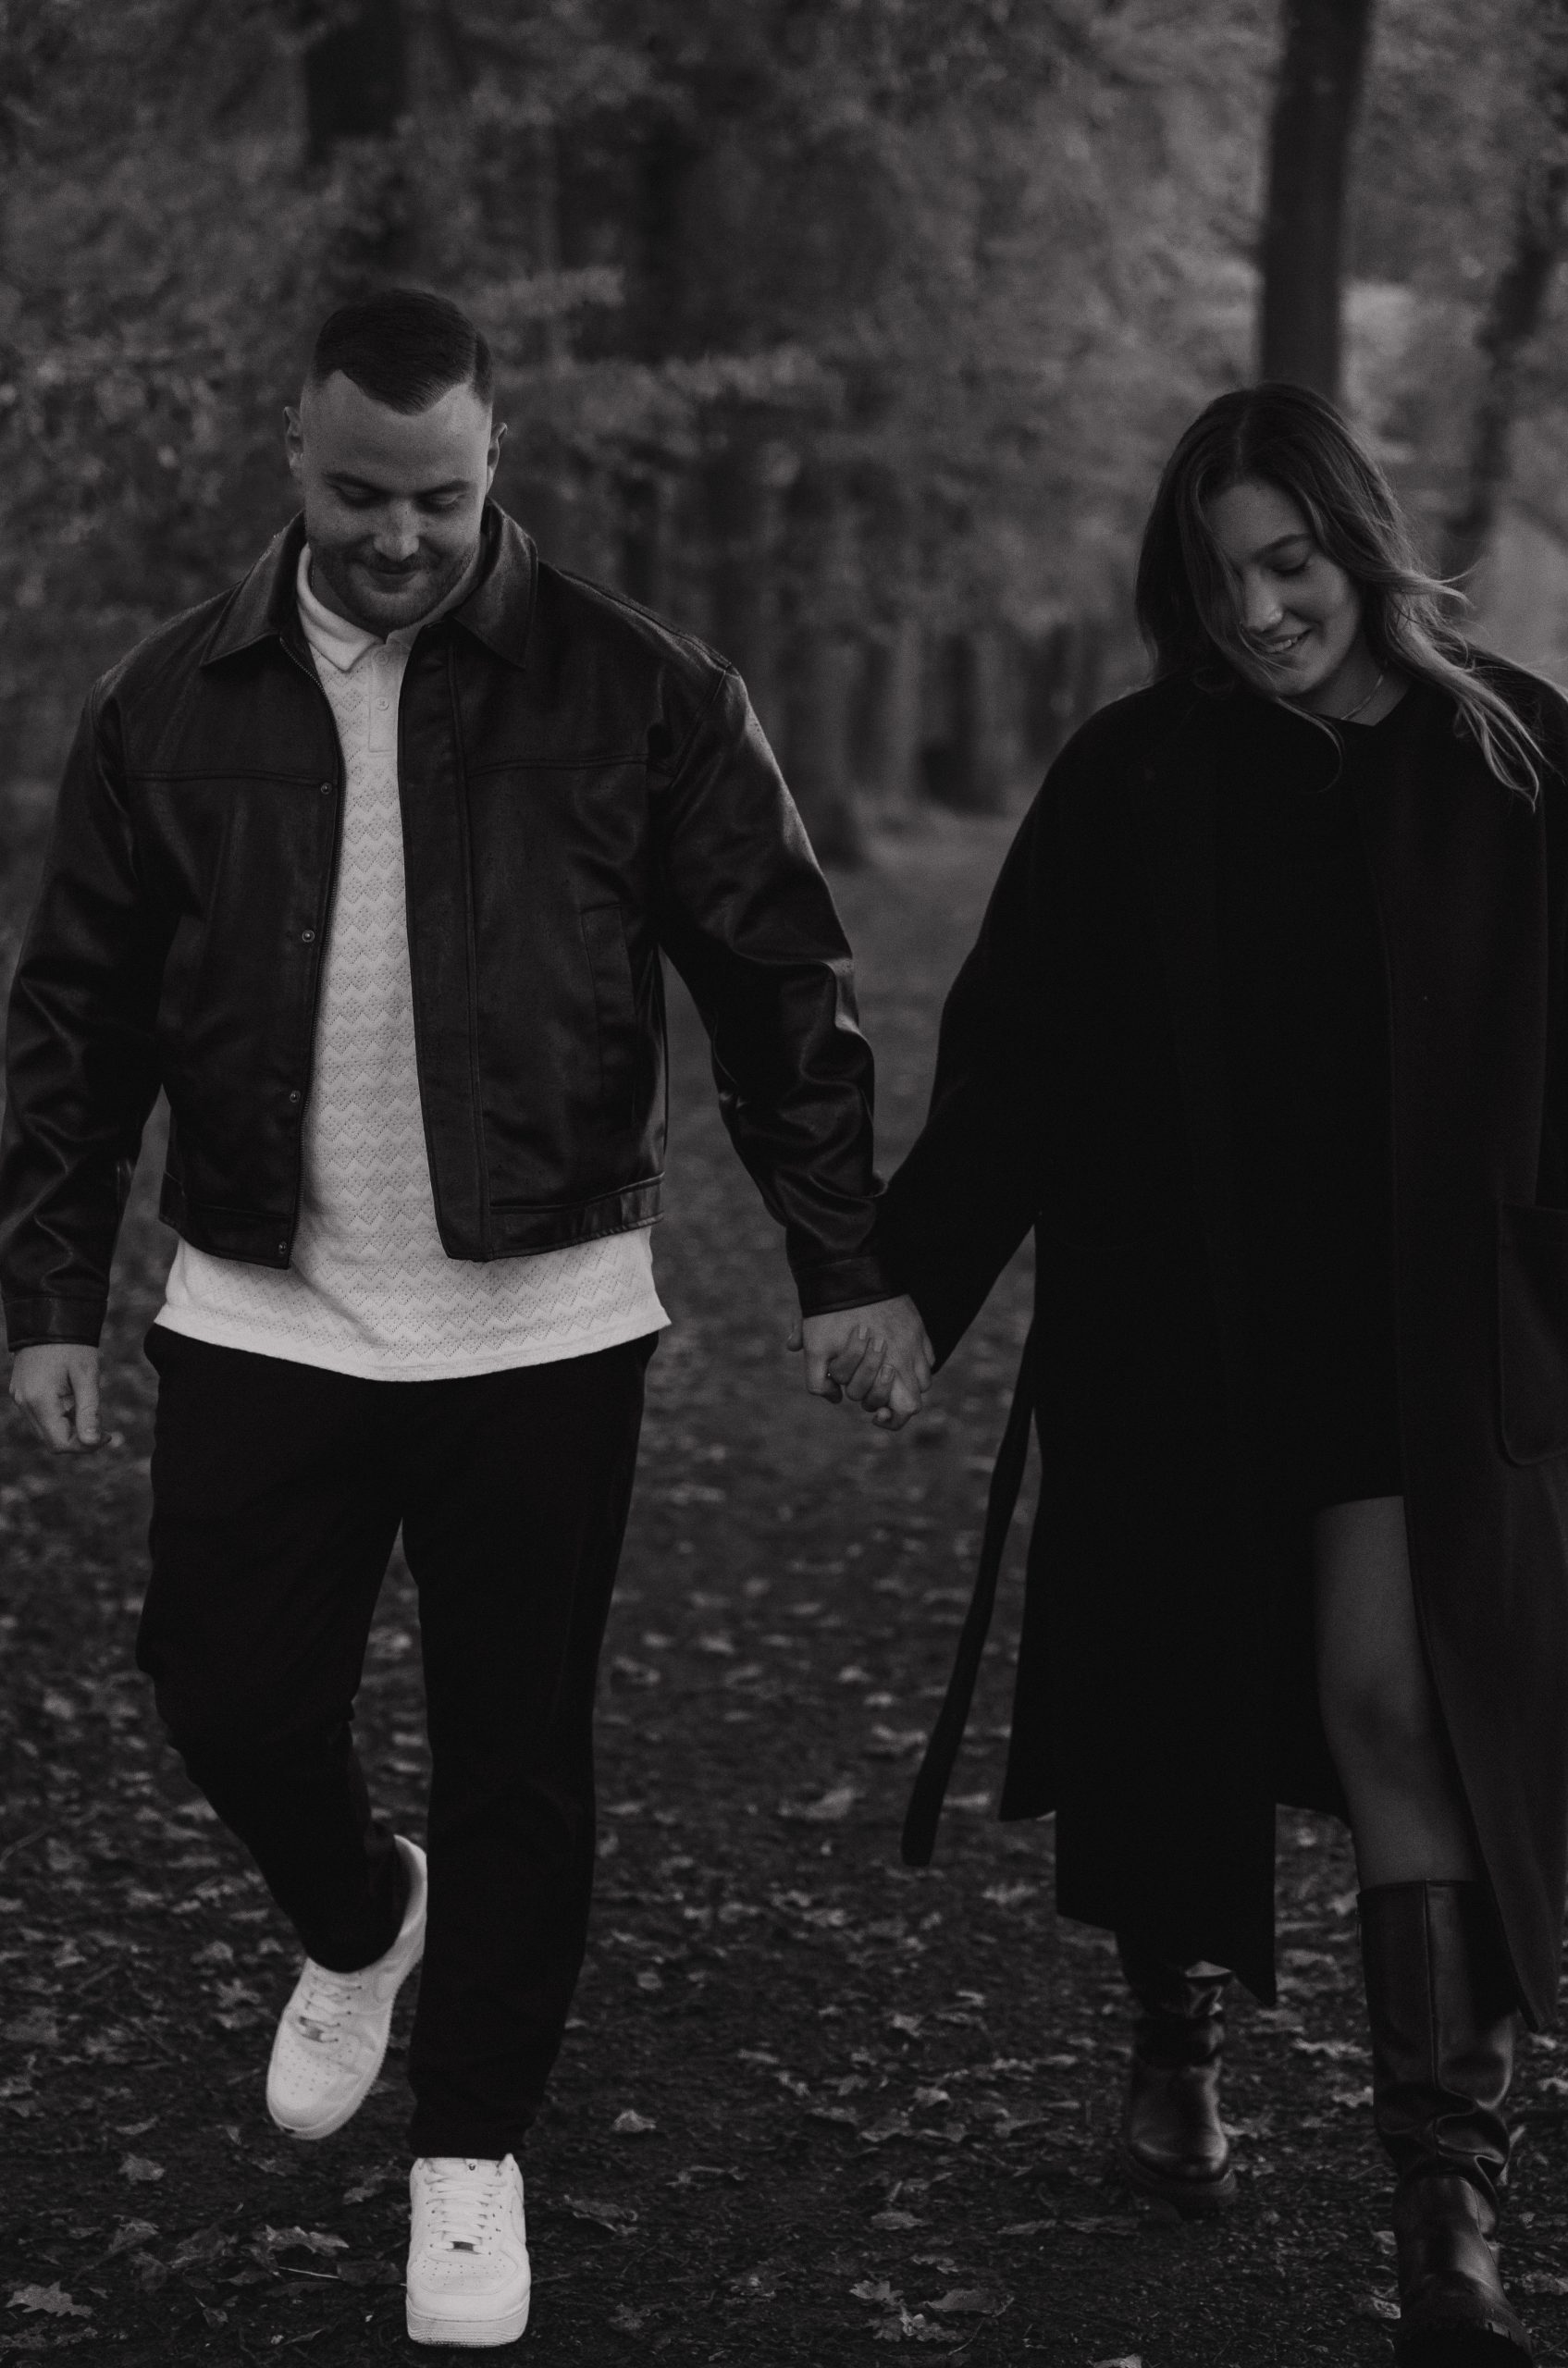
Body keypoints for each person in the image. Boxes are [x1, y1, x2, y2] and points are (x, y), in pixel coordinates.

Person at [0, 288, 932, 2350]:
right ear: (293, 455)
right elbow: (74, 1011)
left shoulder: (640, 688)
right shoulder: (170, 698)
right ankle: (362, 1912)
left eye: (438, 495)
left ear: (496, 459)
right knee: (226, 1695)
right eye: (360, 493)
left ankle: (470, 2153)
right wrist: (50, 1290)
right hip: (264, 1304)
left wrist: (842, 1257)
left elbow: (779, 983)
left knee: (518, 1750)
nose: (400, 535)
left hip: (541, 1323)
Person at [882, 382, 1568, 2364]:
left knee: (1396, 1699)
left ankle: (1442, 2195)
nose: (1261, 610)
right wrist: (905, 1287)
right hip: (1177, 1324)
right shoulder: (1135, 774)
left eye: (1290, 563)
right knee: (1175, 1691)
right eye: (1219, 578)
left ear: (1358, 542)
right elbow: (1014, 1052)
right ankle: (1171, 2042)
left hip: (1424, 1343)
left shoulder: (1512, 757)